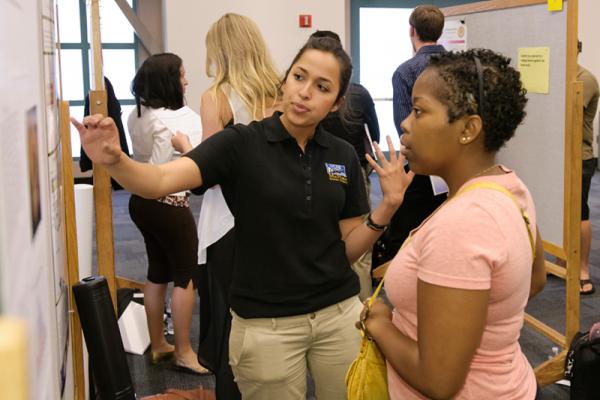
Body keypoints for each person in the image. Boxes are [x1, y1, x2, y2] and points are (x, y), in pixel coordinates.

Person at [72, 36, 413, 400]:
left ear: (337, 103)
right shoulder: (241, 144)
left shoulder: (342, 155)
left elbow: (345, 250)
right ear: (284, 81)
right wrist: (113, 159)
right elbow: (159, 181)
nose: (304, 93)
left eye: (322, 87)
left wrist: (387, 207)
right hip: (267, 323)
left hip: (337, 314)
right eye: (299, 77)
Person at [361, 49, 547, 399]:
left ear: (467, 129)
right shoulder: (510, 184)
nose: (405, 123)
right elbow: (534, 280)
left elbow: (439, 380)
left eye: (419, 111)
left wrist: (379, 323)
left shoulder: (464, 222)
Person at [172, 13, 280, 399]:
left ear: (218, 51)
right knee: (272, 316)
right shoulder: (281, 93)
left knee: (228, 318)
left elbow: (210, 172)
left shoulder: (215, 97)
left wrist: (187, 149)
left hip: (228, 223)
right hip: (274, 218)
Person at [127, 53, 208, 375]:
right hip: (170, 204)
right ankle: (185, 352)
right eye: (182, 75)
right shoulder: (182, 118)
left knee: (158, 271)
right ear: (168, 81)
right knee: (187, 275)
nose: (186, 82)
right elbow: (203, 159)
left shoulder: (138, 115)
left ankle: (160, 344)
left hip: (140, 202)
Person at [311, 29, 381, 300]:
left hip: (313, 177)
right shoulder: (359, 93)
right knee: (360, 251)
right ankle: (360, 312)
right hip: (354, 178)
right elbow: (374, 134)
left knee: (319, 241)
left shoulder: (305, 97)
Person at [382, 4, 447, 267]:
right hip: (455, 164)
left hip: (421, 166)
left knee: (405, 230)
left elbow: (403, 127)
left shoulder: (405, 71)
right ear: (439, 32)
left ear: (412, 31)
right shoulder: (459, 66)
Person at [577, 42, 599, 295]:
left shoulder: (586, 79)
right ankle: (562, 261)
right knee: (559, 212)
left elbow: (566, 113)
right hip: (559, 157)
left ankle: (583, 270)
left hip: (580, 157)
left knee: (579, 213)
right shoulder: (561, 76)